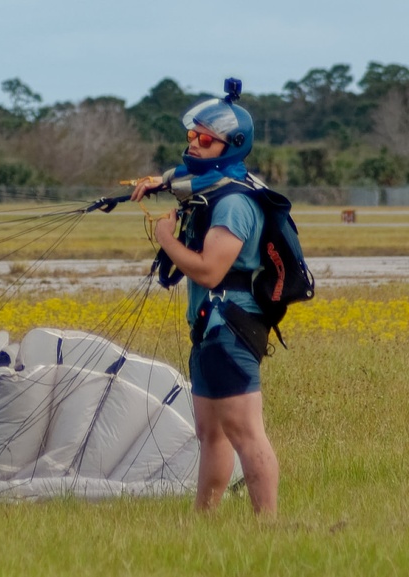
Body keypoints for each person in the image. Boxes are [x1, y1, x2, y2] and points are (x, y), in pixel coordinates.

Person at [130, 80, 279, 517]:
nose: (194, 144)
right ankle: (203, 521)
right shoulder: (215, 182)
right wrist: (156, 182)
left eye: (205, 139)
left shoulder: (233, 203)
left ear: (230, 145)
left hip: (231, 325)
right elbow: (187, 179)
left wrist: (165, 239)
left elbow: (210, 269)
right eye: (191, 136)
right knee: (210, 433)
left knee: (246, 432)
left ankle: (267, 528)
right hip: (208, 326)